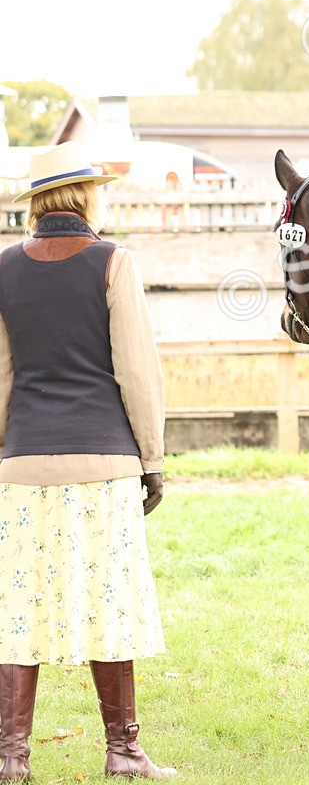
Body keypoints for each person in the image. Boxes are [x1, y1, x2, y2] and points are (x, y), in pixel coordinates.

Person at [0, 142, 174, 780]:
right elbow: (136, 370)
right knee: (112, 604)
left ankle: (10, 758)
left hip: (21, 464)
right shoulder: (112, 262)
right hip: (103, 463)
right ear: (83, 195)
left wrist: (6, 451)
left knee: (16, 612)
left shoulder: (4, 268)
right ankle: (124, 751)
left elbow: (2, 375)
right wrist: (151, 458)